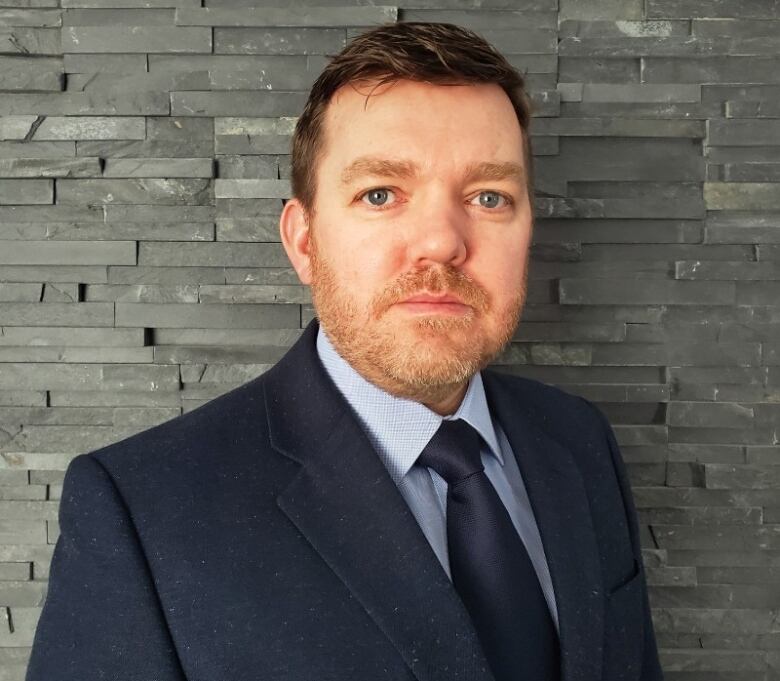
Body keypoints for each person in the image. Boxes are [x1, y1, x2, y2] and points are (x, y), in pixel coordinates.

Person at [26, 21, 664, 681]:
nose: (442, 242)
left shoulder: (578, 442)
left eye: (488, 197)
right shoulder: (142, 512)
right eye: (381, 194)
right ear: (304, 241)